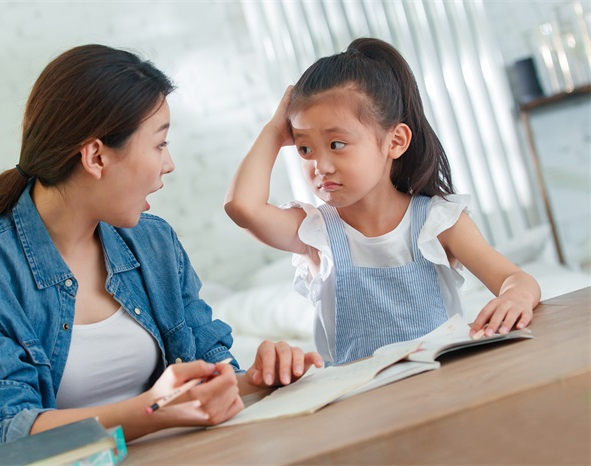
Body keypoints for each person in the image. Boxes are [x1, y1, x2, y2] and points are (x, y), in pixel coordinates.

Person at [0, 44, 322, 452]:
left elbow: (206, 379)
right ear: (96, 156)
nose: (169, 164)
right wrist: (150, 411)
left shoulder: (154, 243)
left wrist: (256, 378)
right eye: (159, 144)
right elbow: (7, 436)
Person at [225, 37, 541, 367]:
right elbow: (242, 207)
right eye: (305, 148)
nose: (321, 165)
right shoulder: (315, 233)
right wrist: (274, 130)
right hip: (360, 404)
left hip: (444, 386)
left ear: (396, 141)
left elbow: (516, 279)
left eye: (336, 143)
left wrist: (515, 296)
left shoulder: (439, 221)